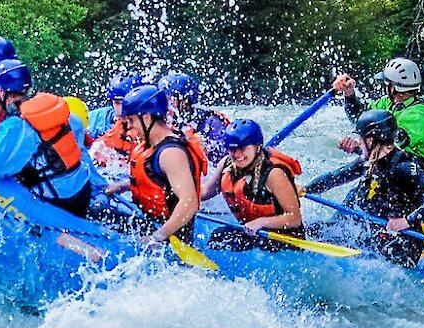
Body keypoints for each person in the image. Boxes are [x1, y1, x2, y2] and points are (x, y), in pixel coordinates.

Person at [303, 109, 424, 263]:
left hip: (398, 243)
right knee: (312, 230)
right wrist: (304, 189)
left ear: (370, 141)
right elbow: (334, 178)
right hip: (370, 230)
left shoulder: (403, 167)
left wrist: (408, 220)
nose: (359, 143)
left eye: (361, 139)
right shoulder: (367, 161)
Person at [0, 62, 94, 215]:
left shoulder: (18, 125)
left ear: (1, 91)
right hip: (83, 190)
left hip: (60, 202)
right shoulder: (49, 107)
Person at [101, 86, 206, 250]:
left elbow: (189, 203)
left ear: (147, 117)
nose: (128, 126)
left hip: (172, 239)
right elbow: (157, 180)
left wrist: (158, 236)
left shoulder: (171, 154)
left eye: (132, 120)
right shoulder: (151, 146)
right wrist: (121, 186)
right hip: (153, 224)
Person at [332, 57, 424, 176]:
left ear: (393, 87)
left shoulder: (420, 115)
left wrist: (357, 147)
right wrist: (349, 94)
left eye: (387, 83)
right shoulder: (388, 103)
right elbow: (360, 117)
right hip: (403, 171)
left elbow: (389, 148)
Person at [201, 119, 304, 248]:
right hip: (253, 232)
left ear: (257, 147)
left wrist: (261, 222)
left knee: (224, 241)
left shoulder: (274, 174)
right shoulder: (226, 164)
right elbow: (205, 191)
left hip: (283, 239)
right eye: (233, 149)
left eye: (243, 148)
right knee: (218, 238)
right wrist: (179, 194)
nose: (237, 155)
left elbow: (294, 218)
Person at [160, 72, 233, 165]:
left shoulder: (211, 122)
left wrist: (205, 147)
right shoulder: (164, 121)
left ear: (185, 100)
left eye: (170, 98)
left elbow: (225, 156)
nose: (166, 104)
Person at [85, 72, 150, 174]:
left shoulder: (155, 127)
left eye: (125, 103)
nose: (120, 111)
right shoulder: (97, 120)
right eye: (117, 103)